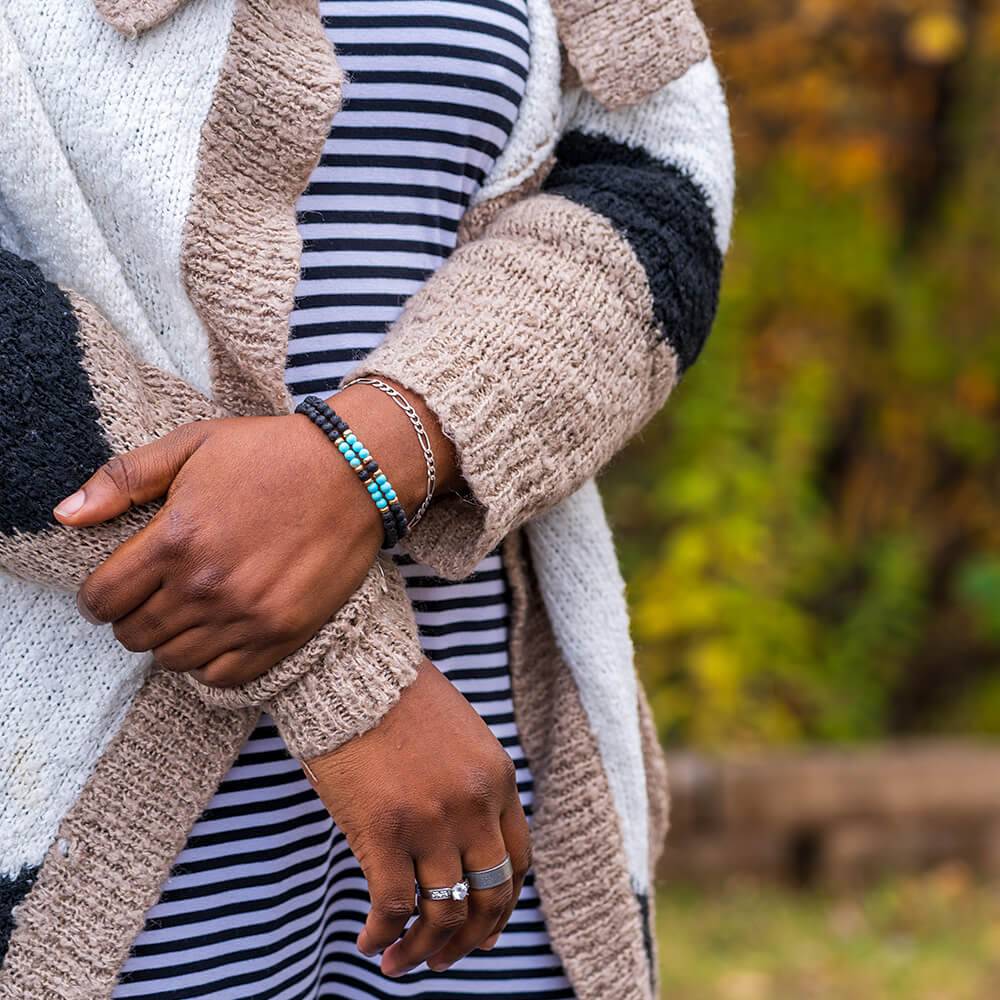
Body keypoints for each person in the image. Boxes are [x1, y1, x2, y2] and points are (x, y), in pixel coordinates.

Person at [0, 0, 733, 997]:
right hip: (68, 784)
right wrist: (354, 683)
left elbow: (658, 183)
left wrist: (382, 448)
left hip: (487, 785)